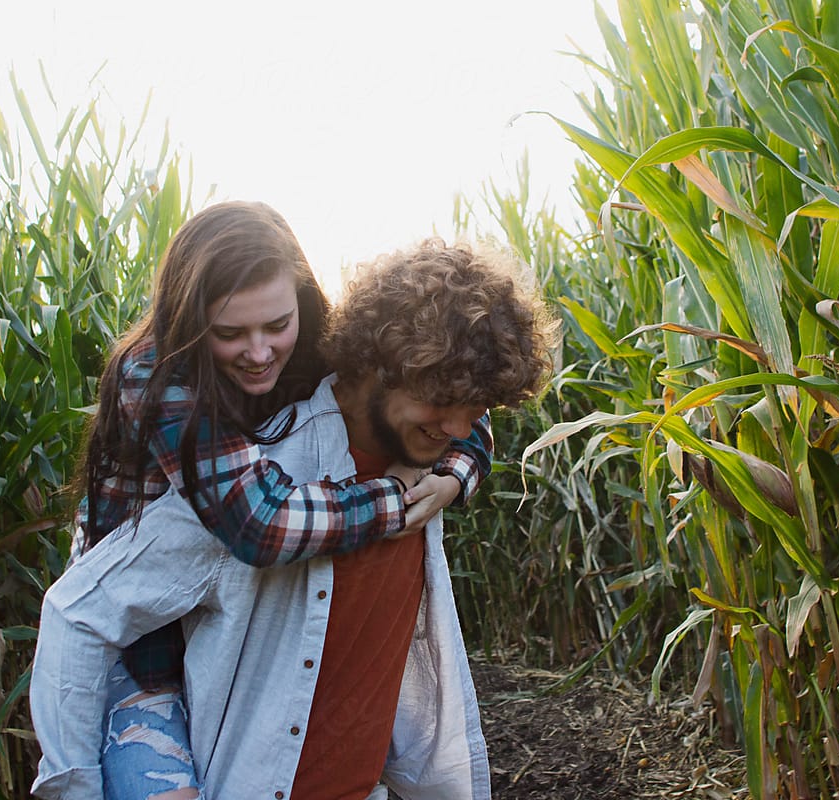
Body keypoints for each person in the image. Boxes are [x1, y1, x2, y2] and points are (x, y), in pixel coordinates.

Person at [31, 238, 556, 799]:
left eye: (475, 410)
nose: (458, 426)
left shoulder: (427, 455)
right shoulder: (235, 468)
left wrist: (455, 472)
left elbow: (462, 415)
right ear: (383, 363)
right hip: (139, 665)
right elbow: (249, 526)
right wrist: (74, 787)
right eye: (231, 333)